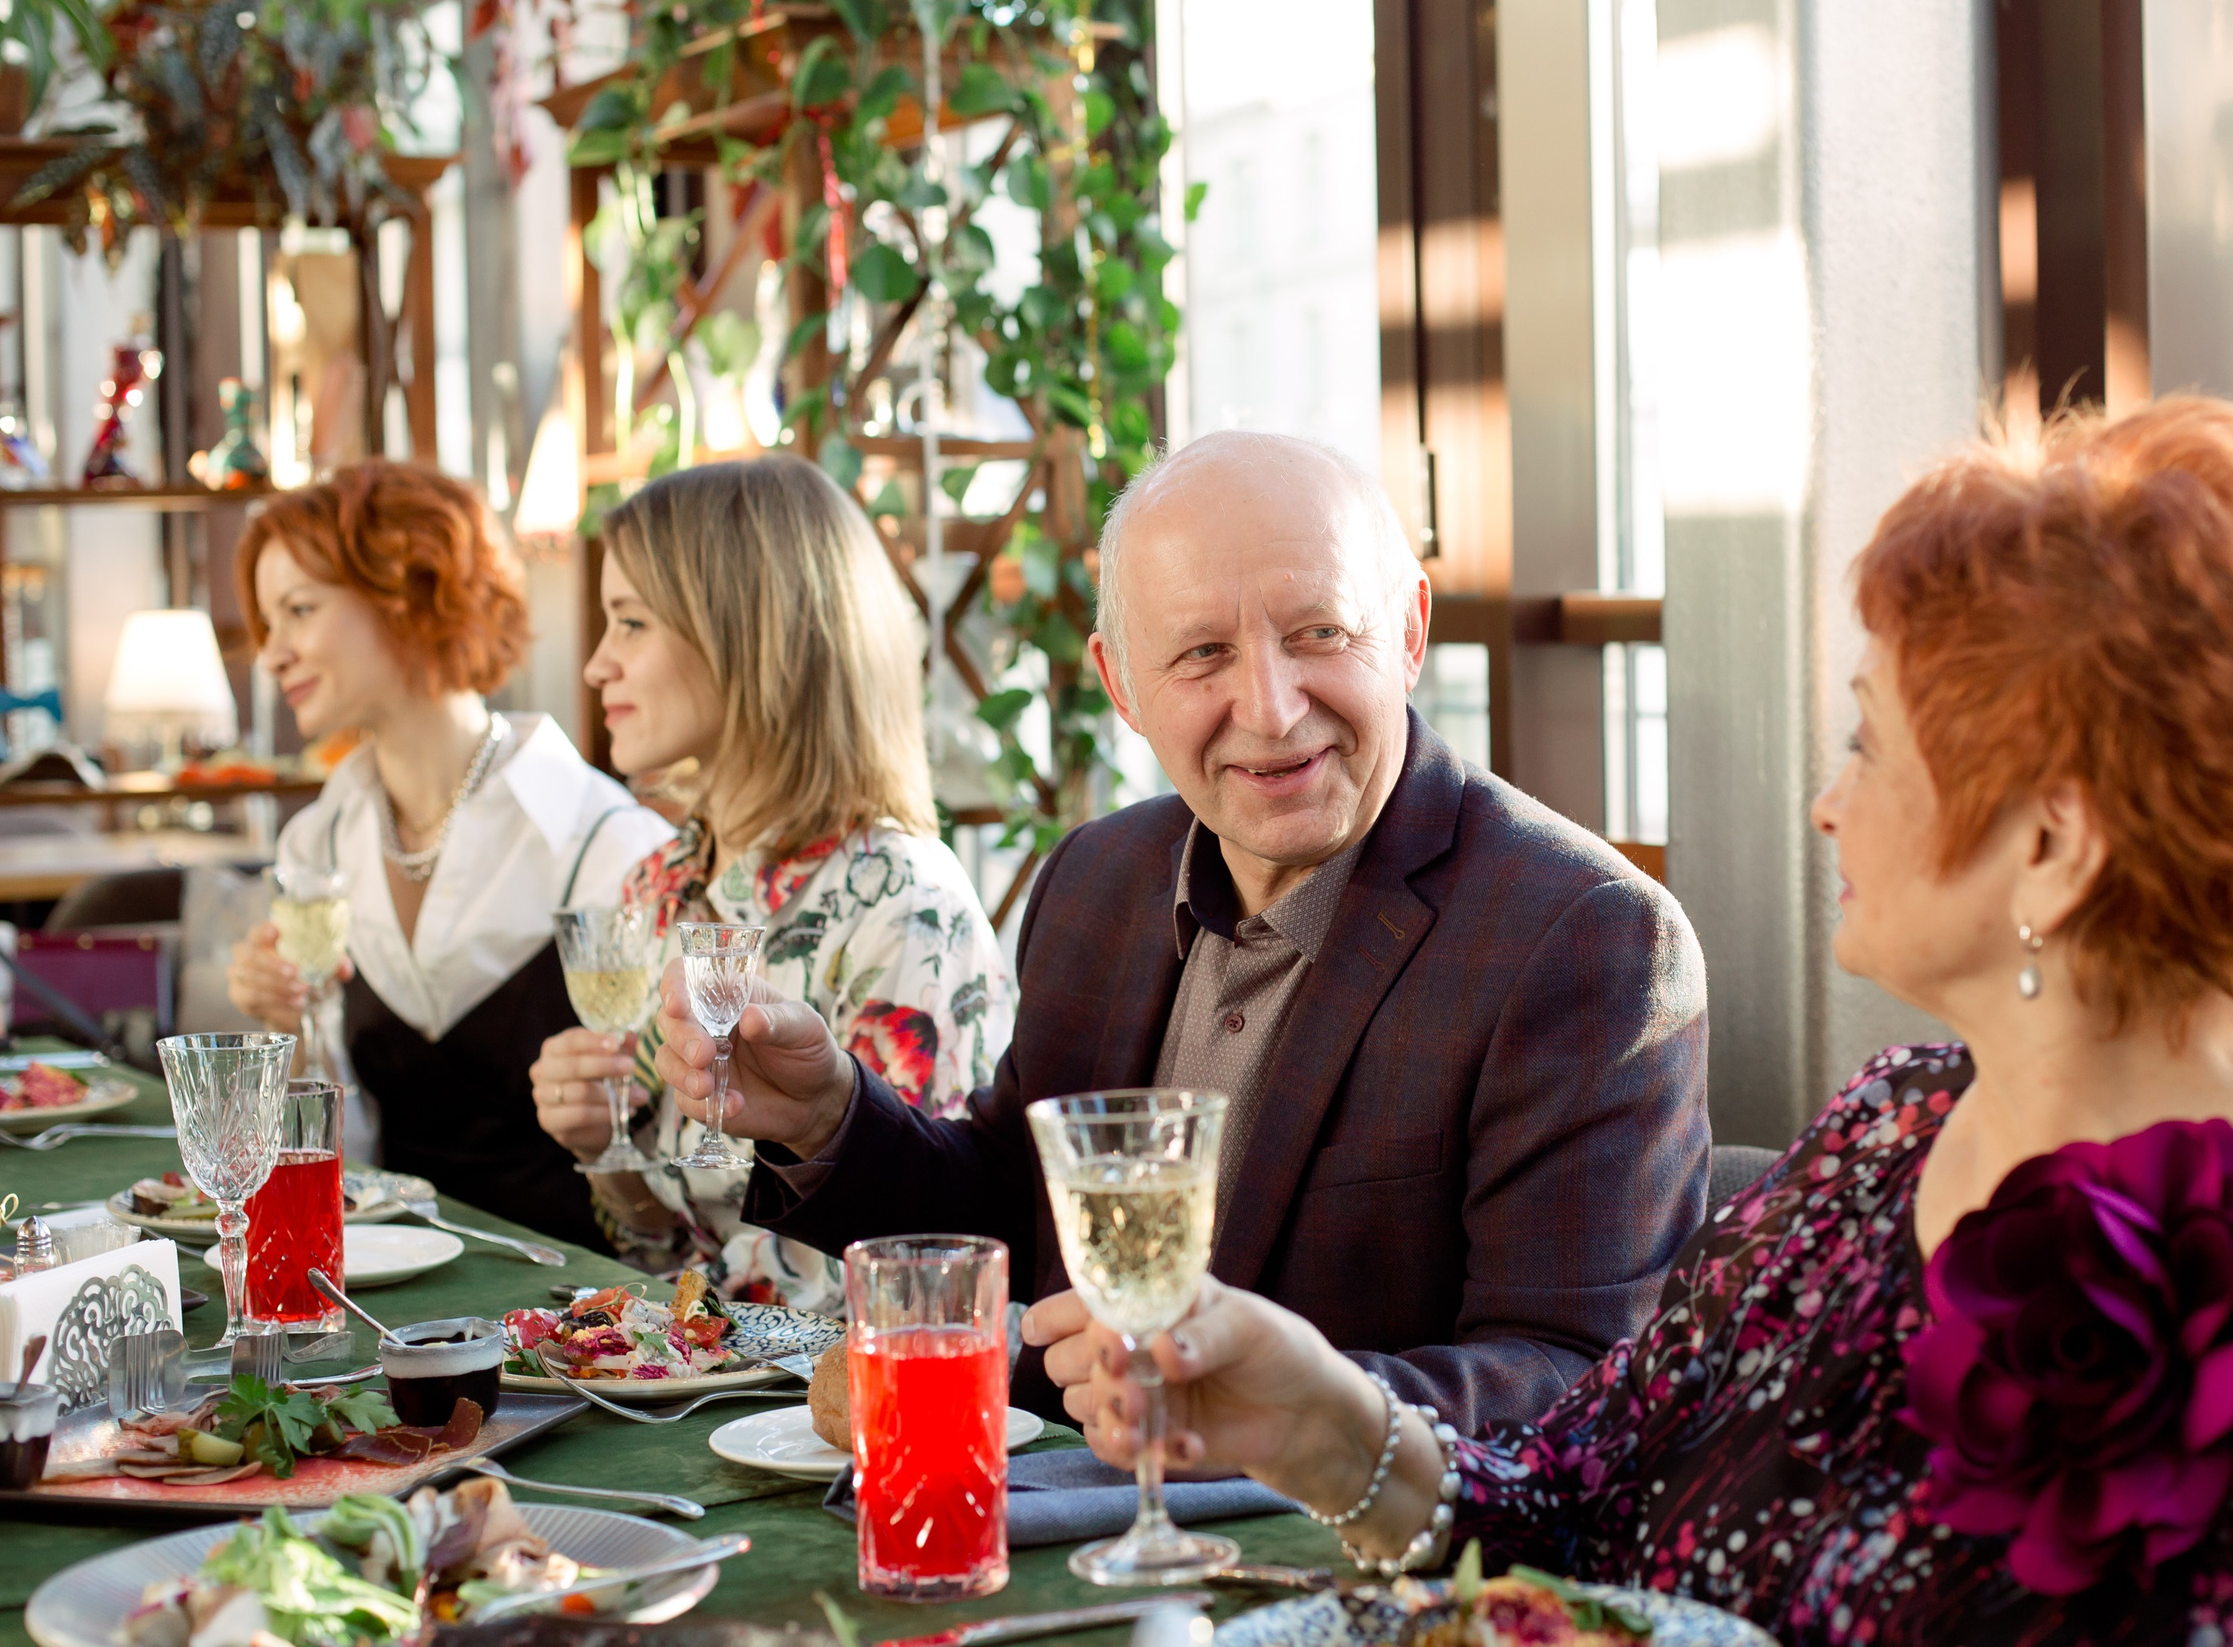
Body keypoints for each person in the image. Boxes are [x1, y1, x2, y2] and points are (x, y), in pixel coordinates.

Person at [1036, 400, 2233, 1646]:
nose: (1827, 797)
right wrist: (1316, 1412)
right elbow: (1566, 1501)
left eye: (1871, 738)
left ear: (2053, 844)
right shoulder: (1892, 1128)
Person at [651, 429, 1711, 1426]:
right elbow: (1020, 1217)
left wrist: (1255, 1408)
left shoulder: (1586, 940)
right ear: (1120, 685)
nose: (1271, 705)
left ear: (1409, 633)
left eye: (1320, 634)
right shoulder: (1097, 880)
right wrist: (827, 1113)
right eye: (1203, 653)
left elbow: (1582, 1385)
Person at [525, 455, 1014, 1309]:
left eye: (630, 622)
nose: (598, 664)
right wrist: (608, 1154)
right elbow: (667, 1254)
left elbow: (924, 1280)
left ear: (748, 633)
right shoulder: (657, 888)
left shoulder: (905, 906)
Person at [228, 461, 673, 1248]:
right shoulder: (316, 844)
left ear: (408, 594)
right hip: (383, 1292)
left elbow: (680, 1176)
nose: (273, 653)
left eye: (299, 610)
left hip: (577, 1319)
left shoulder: (604, 840)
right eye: (271, 621)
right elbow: (339, 1152)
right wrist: (286, 1033)